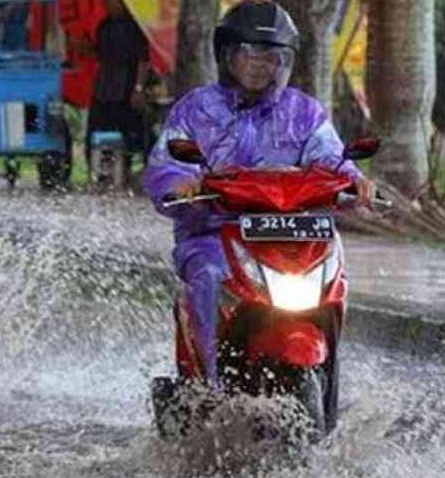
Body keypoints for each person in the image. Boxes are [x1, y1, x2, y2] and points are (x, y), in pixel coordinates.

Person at [143, 1, 375, 384]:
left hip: (292, 234)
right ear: (227, 56)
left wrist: (354, 180)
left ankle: (330, 381)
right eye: (248, 54)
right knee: (209, 276)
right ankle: (210, 385)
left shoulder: (305, 112)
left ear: (283, 64)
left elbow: (331, 158)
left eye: (270, 57)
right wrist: (179, 183)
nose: (258, 64)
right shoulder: (195, 110)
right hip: (214, 233)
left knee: (335, 279)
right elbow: (167, 163)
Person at [83, 0, 151, 181]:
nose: (109, 5)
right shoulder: (104, 26)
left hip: (126, 87)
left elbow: (143, 60)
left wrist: (138, 87)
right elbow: (98, 54)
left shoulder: (135, 28)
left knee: (129, 131)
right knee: (97, 128)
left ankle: (127, 169)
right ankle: (101, 170)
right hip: (104, 87)